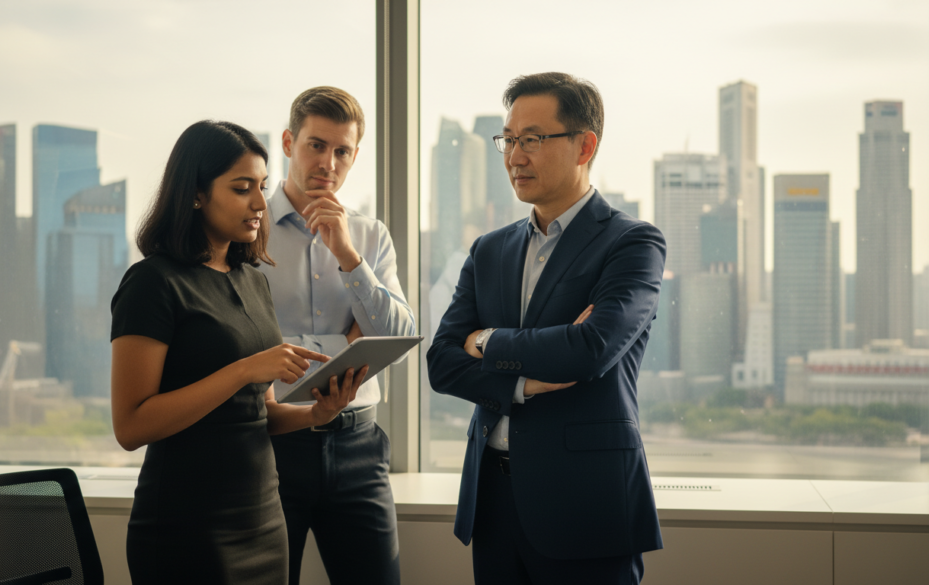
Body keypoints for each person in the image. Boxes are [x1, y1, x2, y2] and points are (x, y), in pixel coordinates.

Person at [426, 72, 666, 585]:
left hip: (585, 504)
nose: (515, 156)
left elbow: (589, 349)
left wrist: (486, 341)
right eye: (509, 140)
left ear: (585, 145)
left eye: (532, 139)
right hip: (493, 502)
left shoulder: (633, 243)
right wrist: (523, 383)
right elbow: (442, 362)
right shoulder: (489, 248)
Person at [110, 120, 368, 584]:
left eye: (263, 186)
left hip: (263, 519)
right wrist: (244, 369)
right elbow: (131, 426)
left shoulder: (251, 279)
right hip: (187, 525)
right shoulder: (153, 283)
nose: (258, 203)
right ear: (196, 194)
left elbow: (258, 412)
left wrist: (316, 414)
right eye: (242, 188)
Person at [259, 87, 415, 585]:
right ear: (288, 142)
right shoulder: (248, 228)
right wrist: (346, 337)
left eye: (342, 150)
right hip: (273, 446)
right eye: (316, 145)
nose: (328, 162)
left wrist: (349, 256)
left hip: (358, 445)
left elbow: (399, 336)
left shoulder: (369, 235)